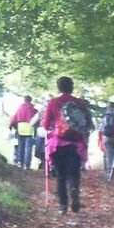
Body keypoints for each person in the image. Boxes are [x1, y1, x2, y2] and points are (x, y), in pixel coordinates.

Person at [41, 77, 92, 213]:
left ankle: (63, 205)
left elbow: (45, 125)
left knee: (60, 175)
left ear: (59, 88)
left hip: (58, 144)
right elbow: (87, 124)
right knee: (74, 173)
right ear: (72, 87)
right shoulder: (80, 103)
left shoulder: (53, 103)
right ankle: (74, 191)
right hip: (76, 144)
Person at [8, 95, 39, 169]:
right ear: (30, 101)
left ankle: (20, 162)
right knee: (28, 148)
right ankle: (27, 165)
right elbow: (37, 120)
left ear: (24, 100)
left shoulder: (20, 108)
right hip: (29, 129)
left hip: (20, 128)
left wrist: (11, 126)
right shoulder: (33, 110)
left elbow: (14, 118)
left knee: (21, 146)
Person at [98, 101, 114, 176]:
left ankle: (109, 172)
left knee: (107, 153)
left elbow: (100, 128)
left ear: (107, 107)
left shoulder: (104, 117)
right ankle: (112, 171)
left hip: (106, 137)